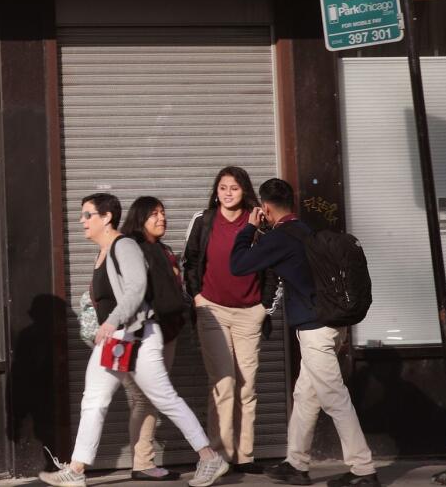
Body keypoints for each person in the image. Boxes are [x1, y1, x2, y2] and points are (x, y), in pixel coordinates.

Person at [39, 193, 228, 487]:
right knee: (94, 400)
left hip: (137, 336)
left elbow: (137, 287)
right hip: (117, 339)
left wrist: (112, 321)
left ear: (106, 218)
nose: (82, 221)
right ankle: (76, 470)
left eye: (88, 215)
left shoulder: (123, 245)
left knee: (164, 398)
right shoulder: (102, 252)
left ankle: (209, 457)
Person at [231, 178, 381, 487]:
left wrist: (249, 228)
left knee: (335, 399)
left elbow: (238, 264)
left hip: (315, 331)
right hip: (332, 325)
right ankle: (295, 463)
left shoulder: (280, 238)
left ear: (266, 209)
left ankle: (364, 469)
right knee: (305, 395)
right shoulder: (306, 231)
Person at [182, 165, 273, 475]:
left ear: (244, 190)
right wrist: (196, 297)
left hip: (250, 313)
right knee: (223, 383)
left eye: (234, 187)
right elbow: (191, 261)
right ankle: (219, 455)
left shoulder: (258, 221)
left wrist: (265, 306)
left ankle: (244, 456)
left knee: (247, 387)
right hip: (213, 310)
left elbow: (274, 262)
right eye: (223, 187)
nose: (228, 192)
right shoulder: (204, 221)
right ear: (216, 191)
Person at [116, 196, 184, 482]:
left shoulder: (163, 250)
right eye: (154, 214)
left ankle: (142, 460)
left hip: (166, 332)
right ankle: (142, 462)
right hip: (142, 334)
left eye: (163, 213)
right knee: (145, 399)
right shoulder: (134, 249)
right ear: (140, 218)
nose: (162, 218)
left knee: (146, 400)